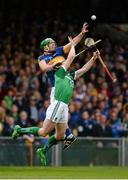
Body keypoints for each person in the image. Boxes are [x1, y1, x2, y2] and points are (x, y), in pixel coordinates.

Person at [12, 37, 99, 166]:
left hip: (64, 107)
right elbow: (70, 58)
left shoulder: (70, 75)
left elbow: (84, 69)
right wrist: (73, 44)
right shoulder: (60, 74)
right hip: (58, 104)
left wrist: (93, 59)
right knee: (43, 132)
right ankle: (19, 130)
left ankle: (43, 150)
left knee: (60, 136)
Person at [38, 22, 89, 149]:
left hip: (64, 83)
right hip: (56, 86)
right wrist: (53, 66)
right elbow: (44, 68)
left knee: (59, 115)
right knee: (57, 118)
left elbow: (73, 43)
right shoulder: (42, 58)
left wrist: (82, 33)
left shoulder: (60, 50)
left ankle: (67, 134)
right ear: (45, 48)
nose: (54, 44)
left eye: (54, 43)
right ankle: (68, 134)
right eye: (51, 43)